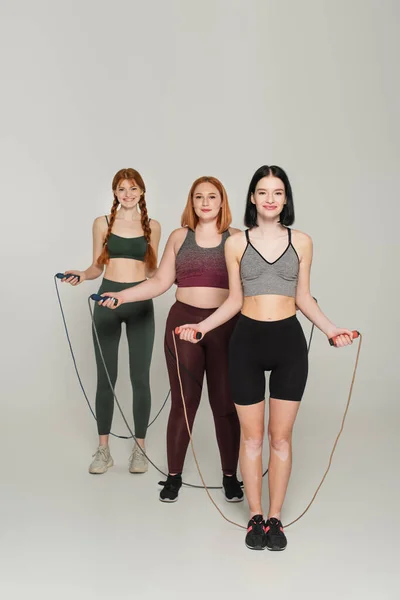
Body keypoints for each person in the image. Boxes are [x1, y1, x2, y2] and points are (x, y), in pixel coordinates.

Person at [177, 165, 354, 551]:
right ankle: (254, 517)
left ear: (285, 199)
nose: (270, 198)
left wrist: (331, 330)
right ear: (252, 198)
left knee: (281, 439)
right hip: (247, 344)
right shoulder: (236, 244)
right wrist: (202, 327)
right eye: (262, 191)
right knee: (253, 440)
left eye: (277, 192)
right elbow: (235, 301)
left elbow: (304, 297)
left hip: (289, 343)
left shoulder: (302, 242)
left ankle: (276, 518)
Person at [100, 176, 244, 503]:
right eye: (198, 197)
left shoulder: (236, 238)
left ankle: (230, 476)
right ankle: (174, 476)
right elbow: (161, 282)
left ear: (222, 202)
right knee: (183, 404)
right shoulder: (180, 237)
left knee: (224, 404)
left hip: (225, 327)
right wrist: (122, 297)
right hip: (183, 325)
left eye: (212, 196)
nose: (205, 202)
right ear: (191, 203)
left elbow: (253, 282)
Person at [62, 168, 161, 475]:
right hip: (107, 301)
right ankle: (103, 450)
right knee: (107, 379)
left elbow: (154, 274)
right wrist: (81, 273)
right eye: (121, 189)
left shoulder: (153, 227)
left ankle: (140, 450)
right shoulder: (102, 223)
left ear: (142, 192)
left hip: (140, 304)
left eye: (133, 189)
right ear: (115, 193)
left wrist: (181, 278)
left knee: (140, 378)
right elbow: (95, 267)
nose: (127, 194)